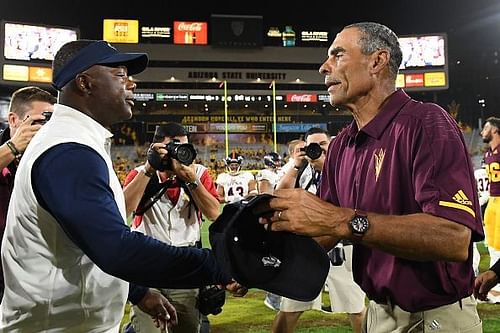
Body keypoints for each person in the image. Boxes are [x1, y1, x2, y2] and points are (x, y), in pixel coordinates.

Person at [0, 39, 244, 332]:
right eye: (119, 75)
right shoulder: (69, 149)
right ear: (85, 83)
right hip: (58, 325)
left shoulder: (71, 140)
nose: (132, 84)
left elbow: (83, 240)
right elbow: (115, 248)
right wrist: (218, 264)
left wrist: (137, 292)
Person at [258, 22, 483, 332]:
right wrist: (258, 260)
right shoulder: (341, 146)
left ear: (377, 61)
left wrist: (343, 220)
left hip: (434, 318)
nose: (325, 67)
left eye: (337, 55)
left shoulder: (426, 123)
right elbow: (326, 230)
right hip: (376, 313)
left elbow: (453, 237)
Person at [122, 122, 221, 333]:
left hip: (184, 263)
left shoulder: (199, 173)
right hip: (147, 261)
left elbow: (215, 214)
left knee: (186, 327)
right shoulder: (139, 173)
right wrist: (149, 168)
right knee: (148, 329)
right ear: (155, 148)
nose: (176, 153)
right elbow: (123, 210)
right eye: (170, 148)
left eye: (182, 147)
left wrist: (192, 180)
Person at [272, 127, 365, 333]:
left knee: (356, 308)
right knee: (290, 309)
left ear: (331, 145)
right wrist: (296, 165)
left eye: (322, 144)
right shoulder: (299, 169)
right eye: (312, 146)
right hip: (307, 248)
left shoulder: (345, 166)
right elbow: (279, 196)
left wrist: (327, 167)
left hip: (341, 247)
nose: (318, 149)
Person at [0, 86, 55, 300]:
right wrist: (13, 147)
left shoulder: (48, 158)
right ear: (14, 120)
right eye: (39, 121)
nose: (46, 129)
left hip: (32, 277)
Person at [474, 117, 500, 302]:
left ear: (495, 130)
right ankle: (495, 289)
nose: (483, 131)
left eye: (486, 128)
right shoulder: (489, 154)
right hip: (492, 202)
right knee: (492, 245)